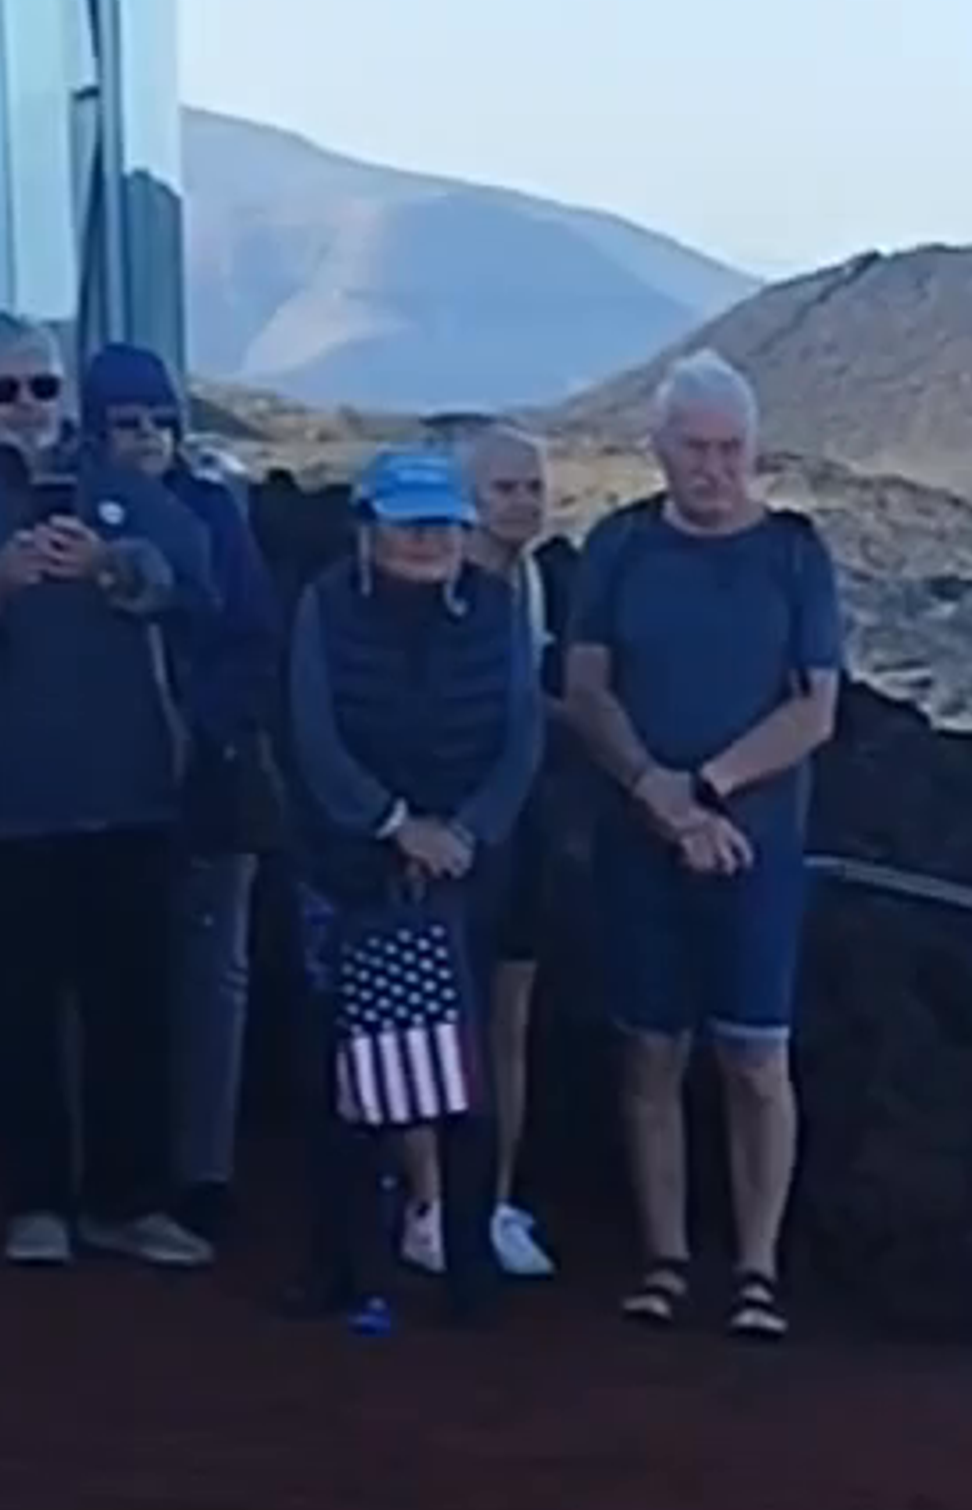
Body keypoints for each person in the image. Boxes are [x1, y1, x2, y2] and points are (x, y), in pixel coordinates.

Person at [0, 314, 213, 1272]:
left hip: (131, 787)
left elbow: (198, 578)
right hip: (1, 799)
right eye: (6, 390)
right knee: (15, 1012)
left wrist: (110, 567)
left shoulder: (119, 488)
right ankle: (34, 1201)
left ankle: (128, 1200)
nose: (28, 409)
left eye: (42, 388)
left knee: (133, 1011)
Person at [558, 354, 845, 1337]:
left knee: (757, 1057)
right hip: (640, 841)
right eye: (697, 448)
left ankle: (758, 1267)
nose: (716, 469)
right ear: (660, 448)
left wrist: (711, 789)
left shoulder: (796, 554)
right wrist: (658, 796)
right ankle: (665, 1257)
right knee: (649, 1052)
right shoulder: (619, 548)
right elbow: (586, 687)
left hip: (758, 847)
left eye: (732, 450)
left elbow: (815, 709)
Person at [278, 442, 543, 1325]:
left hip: (467, 873)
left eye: (444, 524)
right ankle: (346, 1269)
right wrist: (394, 825)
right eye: (410, 523)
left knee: (464, 1074)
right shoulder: (323, 607)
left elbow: (521, 737)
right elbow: (312, 733)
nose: (429, 540)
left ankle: (469, 1270)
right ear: (369, 529)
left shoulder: (501, 611)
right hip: (350, 872)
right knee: (348, 1078)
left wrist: (465, 832)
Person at [80, 343, 276, 1233]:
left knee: (212, 976)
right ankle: (111, 1166)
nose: (148, 437)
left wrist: (209, 727)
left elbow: (251, 635)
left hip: (205, 774)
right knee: (108, 977)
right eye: (127, 423)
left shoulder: (216, 514)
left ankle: (205, 1170)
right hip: (101, 781)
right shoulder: (68, 512)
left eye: (161, 420)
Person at [444, 420, 583, 1280]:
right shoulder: (445, 588)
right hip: (453, 826)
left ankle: (489, 1196)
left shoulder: (530, 581)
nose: (525, 502)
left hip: (521, 822)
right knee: (441, 1013)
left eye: (534, 486)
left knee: (508, 1012)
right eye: (506, 488)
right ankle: (432, 1198)